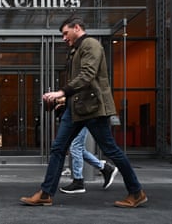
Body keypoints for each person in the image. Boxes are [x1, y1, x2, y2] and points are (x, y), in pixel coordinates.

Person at [20, 16, 147, 208]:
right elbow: (82, 83)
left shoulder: (90, 44)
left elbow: (87, 75)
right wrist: (64, 99)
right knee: (58, 149)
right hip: (76, 108)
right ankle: (46, 193)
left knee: (111, 150)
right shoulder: (77, 49)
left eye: (65, 33)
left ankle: (136, 192)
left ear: (77, 27)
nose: (63, 38)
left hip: (94, 109)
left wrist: (62, 92)